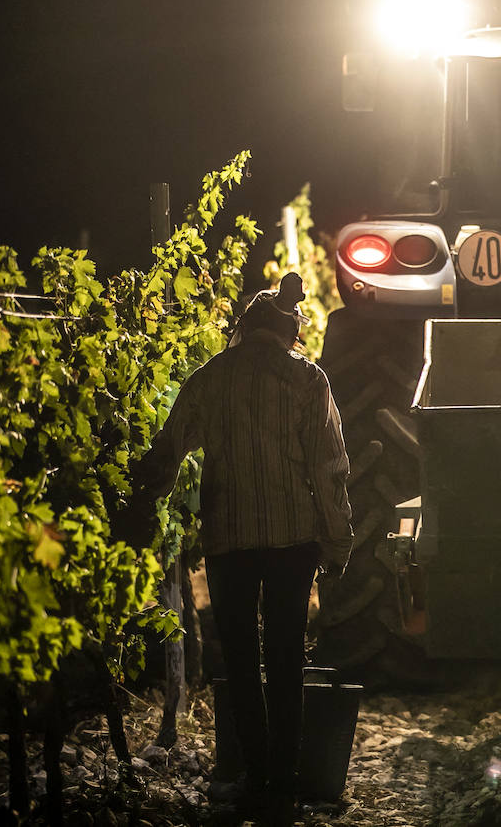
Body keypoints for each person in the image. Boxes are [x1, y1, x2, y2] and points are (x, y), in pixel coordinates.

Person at [128, 273, 353, 824]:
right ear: (288, 333)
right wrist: (338, 539)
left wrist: (136, 506)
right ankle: (284, 784)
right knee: (284, 658)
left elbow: (168, 449)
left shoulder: (210, 378)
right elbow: (328, 471)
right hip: (293, 541)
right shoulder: (308, 380)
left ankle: (252, 775)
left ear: (244, 329)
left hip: (229, 540)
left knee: (243, 661)